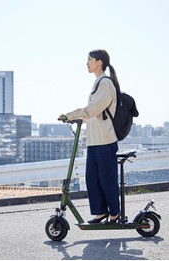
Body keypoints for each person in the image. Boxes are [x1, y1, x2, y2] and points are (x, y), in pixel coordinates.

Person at [58, 49, 120, 224]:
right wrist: (79, 120)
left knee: (107, 178)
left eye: (89, 60)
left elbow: (93, 110)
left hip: (106, 140)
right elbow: (94, 114)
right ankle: (101, 212)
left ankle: (114, 213)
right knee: (92, 177)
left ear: (99, 62)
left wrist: (70, 115)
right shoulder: (97, 84)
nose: (87, 63)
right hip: (94, 140)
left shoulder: (105, 84)